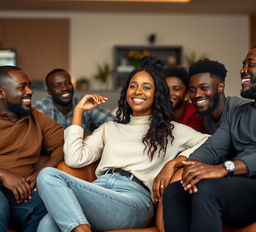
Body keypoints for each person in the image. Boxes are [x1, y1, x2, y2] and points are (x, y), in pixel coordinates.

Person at [36, 56, 209, 232]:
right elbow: (74, 159)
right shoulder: (109, 128)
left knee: (48, 175)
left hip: (134, 199)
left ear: (157, 95)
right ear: (126, 92)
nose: (137, 91)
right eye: (133, 86)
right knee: (47, 224)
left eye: (146, 87)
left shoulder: (172, 130)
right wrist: (78, 111)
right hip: (98, 190)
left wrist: (175, 162)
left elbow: (209, 142)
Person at [163, 47, 256, 232]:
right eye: (243, 65)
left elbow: (223, 166)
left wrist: (224, 168)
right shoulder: (238, 113)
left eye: (251, 64)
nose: (243, 70)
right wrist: (191, 166)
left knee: (208, 191)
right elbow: (213, 148)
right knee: (175, 192)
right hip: (242, 185)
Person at [0, 66, 64, 232]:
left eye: (29, 86)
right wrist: (3, 175)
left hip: (19, 193)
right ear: (1, 93)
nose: (30, 91)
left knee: (43, 206)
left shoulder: (36, 117)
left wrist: (42, 171)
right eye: (22, 87)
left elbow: (63, 145)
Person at [34, 68, 114, 132]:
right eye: (57, 86)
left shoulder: (84, 104)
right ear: (49, 92)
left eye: (68, 83)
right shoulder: (42, 108)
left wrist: (95, 136)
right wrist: (84, 137)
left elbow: (115, 124)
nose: (65, 88)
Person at [188, 58, 248, 134]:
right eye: (192, 90)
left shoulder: (241, 111)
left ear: (221, 87)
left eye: (204, 88)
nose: (197, 95)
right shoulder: (207, 119)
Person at [165, 67, 205, 133]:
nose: (170, 93)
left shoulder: (196, 113)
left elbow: (189, 139)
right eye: (166, 89)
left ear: (186, 94)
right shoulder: (157, 111)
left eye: (176, 89)